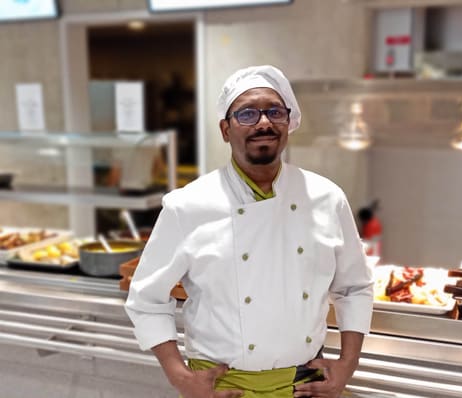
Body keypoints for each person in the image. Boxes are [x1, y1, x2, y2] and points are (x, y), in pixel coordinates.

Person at [125, 65, 374, 398]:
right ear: (225, 130)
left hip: (306, 385)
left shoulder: (327, 198)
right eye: (247, 114)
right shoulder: (187, 205)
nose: (264, 123)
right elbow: (146, 299)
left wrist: (347, 364)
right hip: (225, 388)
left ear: (288, 123)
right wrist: (180, 377)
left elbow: (355, 287)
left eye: (275, 111)